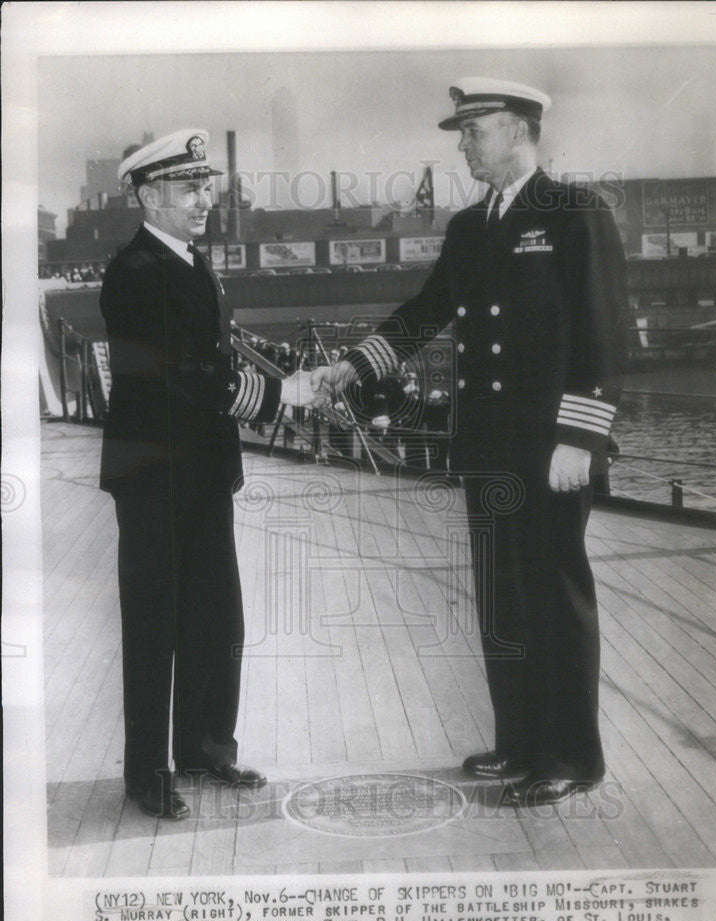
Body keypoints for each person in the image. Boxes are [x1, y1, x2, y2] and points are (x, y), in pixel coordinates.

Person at [323, 78, 627, 806]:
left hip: (550, 448)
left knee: (554, 598)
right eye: (460, 133)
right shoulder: (468, 228)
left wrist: (576, 439)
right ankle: (519, 742)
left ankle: (570, 757)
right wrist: (350, 364)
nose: (462, 144)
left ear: (520, 131)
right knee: (502, 600)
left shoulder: (573, 211)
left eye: (474, 130)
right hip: (488, 447)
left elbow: (604, 330)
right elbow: (425, 312)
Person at [100, 129, 325, 819]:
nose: (203, 200)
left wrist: (286, 370)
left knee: (213, 616)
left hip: (201, 472)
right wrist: (281, 394)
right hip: (154, 476)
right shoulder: (134, 272)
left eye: (206, 186)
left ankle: (204, 750)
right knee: (154, 622)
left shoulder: (192, 263)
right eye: (187, 187)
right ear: (145, 194)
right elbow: (183, 372)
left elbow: (218, 346)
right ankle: (147, 773)